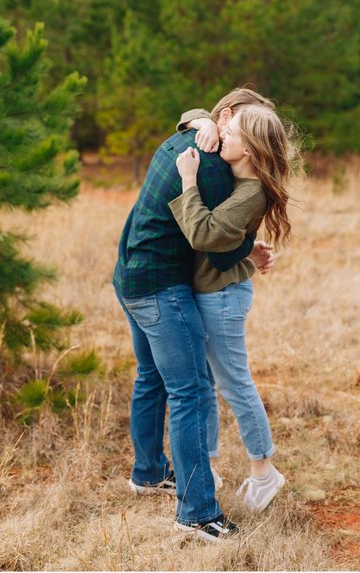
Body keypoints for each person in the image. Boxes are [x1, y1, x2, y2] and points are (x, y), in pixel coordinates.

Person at [112, 88, 275, 542]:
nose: (223, 126)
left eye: (231, 126)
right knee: (190, 392)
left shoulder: (182, 140)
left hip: (128, 275)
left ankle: (147, 474)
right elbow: (213, 246)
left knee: (151, 377)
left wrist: (196, 121)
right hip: (161, 288)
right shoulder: (214, 172)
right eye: (226, 122)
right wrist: (247, 247)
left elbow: (194, 117)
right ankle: (198, 512)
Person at [169, 102, 299, 512]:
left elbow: (204, 233)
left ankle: (264, 472)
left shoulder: (251, 191)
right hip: (215, 291)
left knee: (234, 384)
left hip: (223, 298)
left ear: (250, 148)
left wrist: (189, 181)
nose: (224, 133)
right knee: (207, 384)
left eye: (233, 131)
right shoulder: (235, 176)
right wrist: (202, 120)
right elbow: (203, 112)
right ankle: (206, 465)